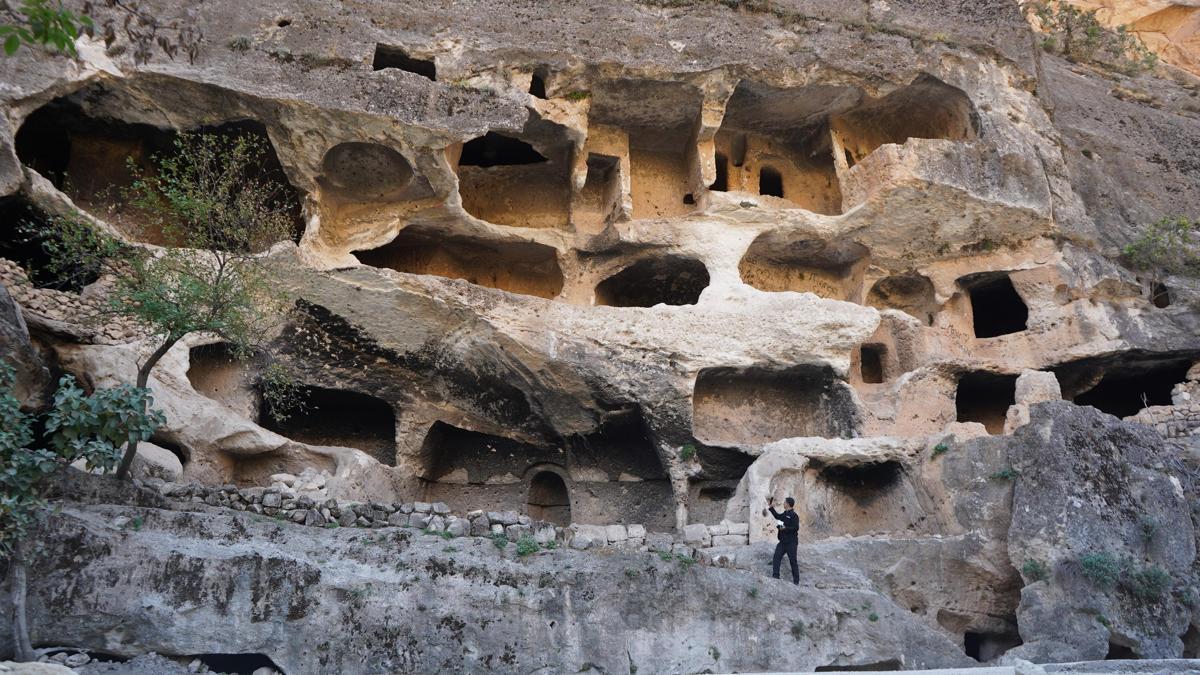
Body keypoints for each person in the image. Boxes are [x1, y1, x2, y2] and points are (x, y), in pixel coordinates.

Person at [766, 495, 799, 584]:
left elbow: (796, 528)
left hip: (791, 542)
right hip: (782, 542)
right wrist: (771, 508)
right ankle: (775, 576)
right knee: (776, 557)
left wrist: (785, 528)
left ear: (788, 504)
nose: (783, 503)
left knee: (793, 561)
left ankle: (796, 582)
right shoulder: (785, 514)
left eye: (785, 502)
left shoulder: (794, 515)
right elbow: (777, 516)